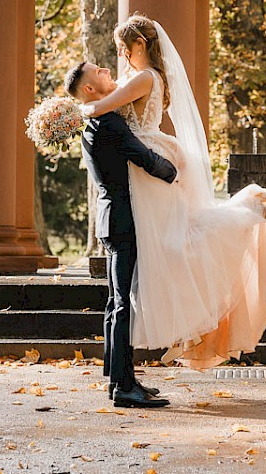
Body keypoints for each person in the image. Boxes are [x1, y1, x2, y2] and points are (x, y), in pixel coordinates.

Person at [70, 13, 266, 371]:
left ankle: (249, 210)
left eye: (123, 47)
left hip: (150, 164)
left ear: (140, 45)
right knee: (172, 244)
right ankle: (184, 334)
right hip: (144, 165)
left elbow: (100, 107)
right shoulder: (138, 77)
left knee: (177, 243)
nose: (121, 54)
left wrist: (67, 111)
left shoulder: (144, 77)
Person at [65, 57, 178, 409]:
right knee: (122, 303)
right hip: (122, 220)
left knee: (116, 301)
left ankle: (119, 379)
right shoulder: (109, 123)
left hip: (108, 218)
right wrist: (176, 170)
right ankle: (123, 386)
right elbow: (143, 157)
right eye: (99, 72)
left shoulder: (94, 124)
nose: (106, 71)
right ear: (89, 89)